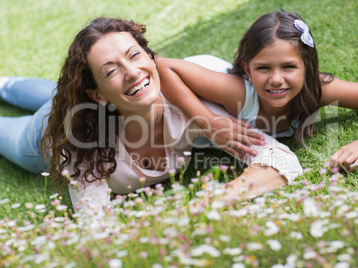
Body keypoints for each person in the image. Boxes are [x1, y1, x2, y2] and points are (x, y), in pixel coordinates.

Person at [0, 17, 302, 212]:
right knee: (46, 108)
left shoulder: (190, 104)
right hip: (42, 138)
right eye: (112, 70)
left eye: (134, 56)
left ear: (151, 58)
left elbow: (281, 159)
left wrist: (216, 200)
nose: (132, 73)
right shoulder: (84, 142)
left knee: (58, 92)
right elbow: (95, 227)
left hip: (97, 100)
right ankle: (7, 86)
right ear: (97, 94)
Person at [157, 10, 358, 171]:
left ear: (306, 67)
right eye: (264, 68)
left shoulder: (315, 89)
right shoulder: (238, 92)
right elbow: (162, 66)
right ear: (248, 70)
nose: (276, 79)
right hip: (185, 87)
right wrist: (210, 123)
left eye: (288, 67)